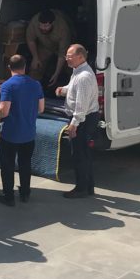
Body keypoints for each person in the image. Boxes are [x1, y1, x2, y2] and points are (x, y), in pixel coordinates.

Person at [0, 54, 45, 206]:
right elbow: (41, 108)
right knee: (25, 163)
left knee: (7, 165)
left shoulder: (8, 85)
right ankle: (25, 193)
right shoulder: (36, 84)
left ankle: (8, 196)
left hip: (11, 133)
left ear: (9, 68)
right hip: (29, 133)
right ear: (25, 66)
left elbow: (4, 110)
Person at [56, 43, 99, 198]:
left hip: (84, 120)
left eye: (70, 56)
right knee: (83, 153)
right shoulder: (78, 71)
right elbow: (74, 89)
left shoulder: (83, 77)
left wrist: (74, 124)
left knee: (80, 154)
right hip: (83, 118)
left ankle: (82, 188)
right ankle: (88, 187)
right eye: (66, 55)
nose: (66, 58)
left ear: (80, 57)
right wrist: (64, 90)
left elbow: (81, 104)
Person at [25, 8, 72, 91]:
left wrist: (56, 73)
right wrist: (35, 58)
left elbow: (62, 54)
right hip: (45, 46)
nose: (43, 28)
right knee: (35, 67)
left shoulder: (62, 28)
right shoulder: (34, 22)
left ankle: (70, 90)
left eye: (46, 26)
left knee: (71, 66)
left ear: (52, 23)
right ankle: (31, 91)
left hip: (63, 48)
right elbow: (30, 40)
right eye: (41, 25)